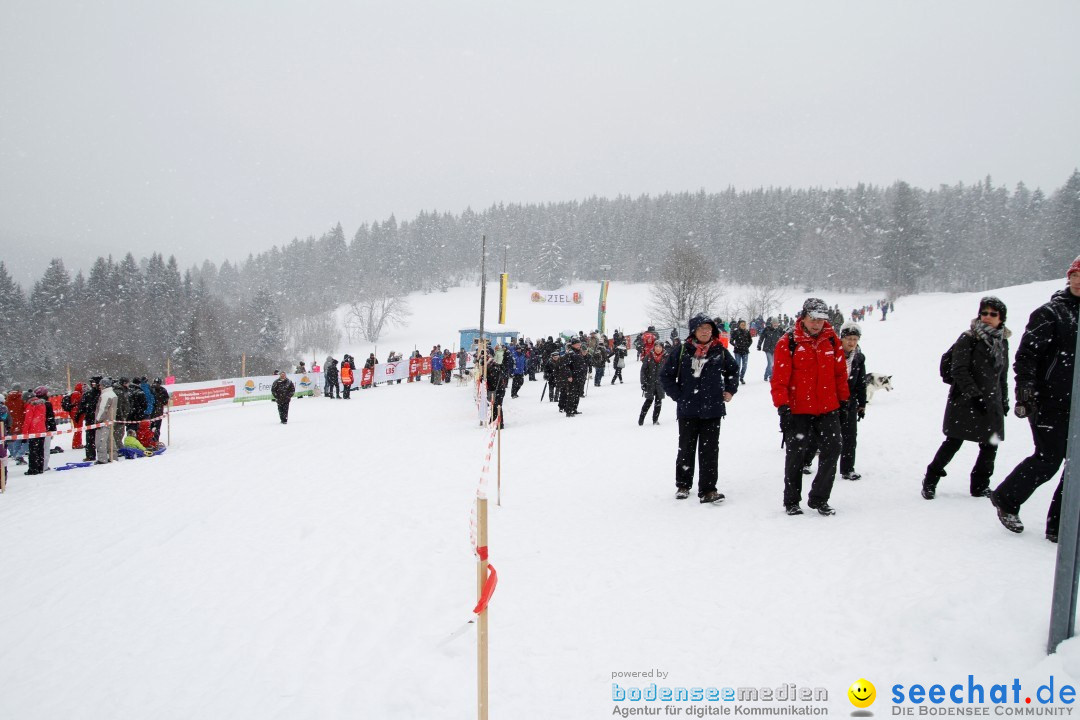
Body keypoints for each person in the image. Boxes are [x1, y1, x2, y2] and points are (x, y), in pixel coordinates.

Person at [992, 257, 1080, 541]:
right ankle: (1006, 499)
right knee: (1049, 458)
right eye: (1075, 274)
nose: (1078, 280)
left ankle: (1061, 525)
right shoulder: (1051, 313)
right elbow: (1026, 356)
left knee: (1077, 463)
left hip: (1078, 403)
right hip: (1050, 401)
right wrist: (1026, 390)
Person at [921, 298, 1010, 500]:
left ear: (1001, 318)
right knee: (953, 441)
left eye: (992, 314)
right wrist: (974, 395)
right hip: (964, 399)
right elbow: (959, 370)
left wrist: (1003, 399)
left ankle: (980, 486)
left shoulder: (1002, 341)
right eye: (984, 313)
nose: (987, 317)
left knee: (990, 445)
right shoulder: (968, 338)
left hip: (991, 401)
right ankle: (930, 480)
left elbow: (1001, 375)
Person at [771, 298, 849, 516]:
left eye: (821, 320)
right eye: (813, 319)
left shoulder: (832, 341)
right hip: (798, 410)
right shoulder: (789, 342)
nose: (817, 324)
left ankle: (820, 498)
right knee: (796, 455)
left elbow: (840, 374)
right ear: (803, 317)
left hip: (828, 407)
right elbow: (779, 379)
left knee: (833, 449)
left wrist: (844, 401)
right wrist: (783, 407)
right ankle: (792, 501)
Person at [659, 314, 740, 503]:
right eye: (702, 328)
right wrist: (680, 397)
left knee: (710, 450)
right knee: (686, 448)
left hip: (713, 410)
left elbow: (733, 371)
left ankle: (708, 489)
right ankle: (683, 485)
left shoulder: (719, 350)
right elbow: (665, 376)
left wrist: (730, 390)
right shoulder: (682, 350)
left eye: (709, 329)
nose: (706, 332)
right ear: (694, 331)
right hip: (688, 410)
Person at [838, 323, 868, 481]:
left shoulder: (859, 357)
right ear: (842, 338)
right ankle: (807, 461)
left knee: (850, 436)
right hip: (832, 401)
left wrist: (862, 404)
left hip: (850, 401)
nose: (851, 342)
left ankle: (847, 468)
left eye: (855, 339)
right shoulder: (832, 353)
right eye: (848, 339)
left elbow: (861, 382)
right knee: (824, 436)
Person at [639, 341, 667, 426]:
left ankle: (655, 420)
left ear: (662, 348)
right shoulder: (649, 356)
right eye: (657, 346)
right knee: (648, 401)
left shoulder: (666, 357)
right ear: (654, 347)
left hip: (660, 384)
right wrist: (643, 382)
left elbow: (668, 371)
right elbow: (643, 370)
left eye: (660, 347)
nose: (658, 348)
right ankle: (641, 419)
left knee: (658, 403)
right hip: (650, 383)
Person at [563, 337, 587, 417]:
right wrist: (569, 376)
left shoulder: (579, 352)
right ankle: (569, 411)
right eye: (577, 344)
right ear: (573, 345)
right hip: (573, 376)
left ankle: (574, 409)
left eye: (579, 344)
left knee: (577, 394)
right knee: (572, 394)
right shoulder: (570, 353)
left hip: (580, 376)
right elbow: (566, 366)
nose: (579, 345)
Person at [95, 378, 117, 463]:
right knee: (111, 440)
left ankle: (102, 459)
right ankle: (113, 457)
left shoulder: (105, 395)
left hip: (104, 422)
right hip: (111, 420)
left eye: (100, 385)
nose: (99, 386)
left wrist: (98, 420)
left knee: (101, 441)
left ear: (104, 385)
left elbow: (102, 409)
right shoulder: (113, 394)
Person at [4, 383, 27, 466]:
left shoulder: (7, 400)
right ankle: (19, 455)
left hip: (11, 423)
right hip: (20, 422)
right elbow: (25, 411)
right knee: (22, 439)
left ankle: (15, 455)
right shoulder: (21, 399)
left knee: (12, 440)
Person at [757, 317, 784, 382]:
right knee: (771, 363)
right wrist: (759, 345)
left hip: (776, 348)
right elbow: (762, 337)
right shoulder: (767, 329)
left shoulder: (780, 330)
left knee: (773, 363)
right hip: (768, 348)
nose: (775, 325)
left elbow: (784, 338)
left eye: (777, 323)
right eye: (774, 323)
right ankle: (770, 376)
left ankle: (766, 375)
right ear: (772, 323)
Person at [731, 320, 752, 385]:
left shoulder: (747, 332)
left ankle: (741, 377)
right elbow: (731, 341)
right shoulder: (736, 332)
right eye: (742, 324)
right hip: (737, 351)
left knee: (744, 366)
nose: (743, 326)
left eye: (744, 325)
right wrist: (735, 345)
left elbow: (750, 340)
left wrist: (747, 346)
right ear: (739, 325)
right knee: (738, 365)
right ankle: (736, 378)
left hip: (745, 351)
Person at [150, 378, 170, 443]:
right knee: (157, 427)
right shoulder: (162, 390)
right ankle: (155, 440)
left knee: (150, 427)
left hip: (151, 411)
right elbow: (165, 401)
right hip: (158, 411)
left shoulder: (150, 389)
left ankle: (151, 440)